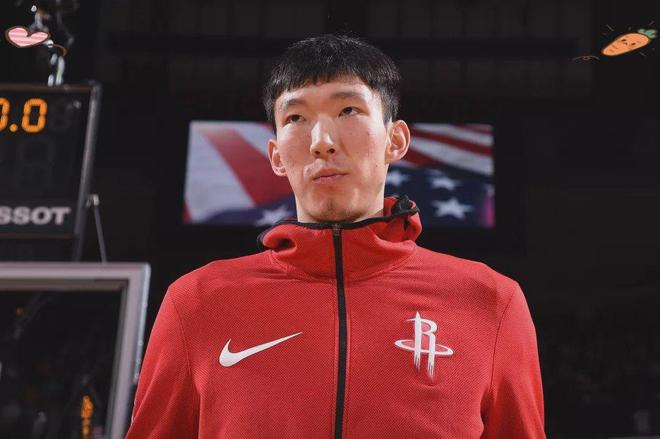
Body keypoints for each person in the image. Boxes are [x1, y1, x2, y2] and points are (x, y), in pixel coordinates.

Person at [125, 33, 545, 438]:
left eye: (348, 110)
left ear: (396, 140)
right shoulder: (197, 302)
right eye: (296, 118)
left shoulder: (490, 301)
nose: (322, 142)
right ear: (275, 155)